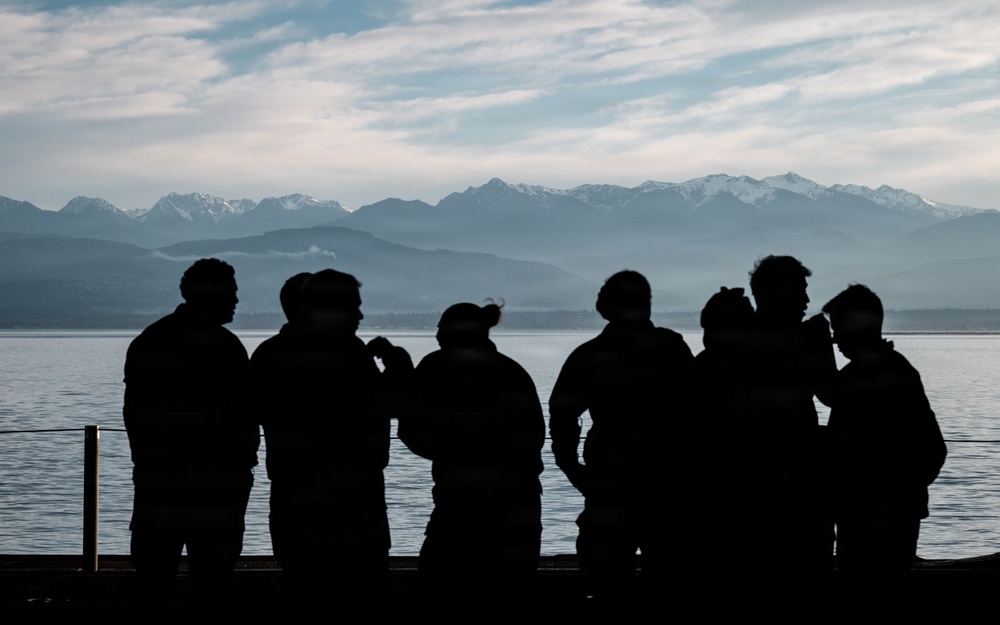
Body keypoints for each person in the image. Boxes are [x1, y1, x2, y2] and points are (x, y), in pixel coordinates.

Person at [250, 269, 412, 601]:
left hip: (292, 500)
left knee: (304, 591)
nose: (360, 315)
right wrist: (397, 364)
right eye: (354, 306)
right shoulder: (350, 356)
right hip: (355, 506)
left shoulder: (269, 355)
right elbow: (397, 405)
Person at [549, 270, 693, 596]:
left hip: (612, 481)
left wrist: (573, 469)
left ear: (606, 307)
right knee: (672, 575)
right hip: (668, 484)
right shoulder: (673, 347)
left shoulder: (590, 355)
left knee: (608, 581)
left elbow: (562, 417)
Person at [123, 258, 258, 602]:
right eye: (232, 293)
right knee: (214, 582)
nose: (237, 301)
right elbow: (244, 415)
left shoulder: (150, 341)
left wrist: (149, 462)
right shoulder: (228, 348)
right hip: (217, 487)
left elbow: (134, 415)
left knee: (152, 578)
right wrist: (241, 466)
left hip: (160, 484)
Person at [398, 301, 544, 596]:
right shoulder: (513, 372)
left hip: (459, 504)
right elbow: (535, 437)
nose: (436, 334)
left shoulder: (436, 367)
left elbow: (410, 429)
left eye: (439, 327)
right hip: (518, 504)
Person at [822, 284, 946, 572]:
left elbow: (832, 396)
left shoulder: (872, 375)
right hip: (890, 510)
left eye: (837, 328)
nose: (834, 338)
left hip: (872, 514)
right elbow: (934, 448)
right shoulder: (891, 370)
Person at [741, 255, 838, 573]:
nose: (807, 299)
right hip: (798, 481)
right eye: (800, 290)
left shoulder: (734, 340)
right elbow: (832, 395)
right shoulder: (807, 339)